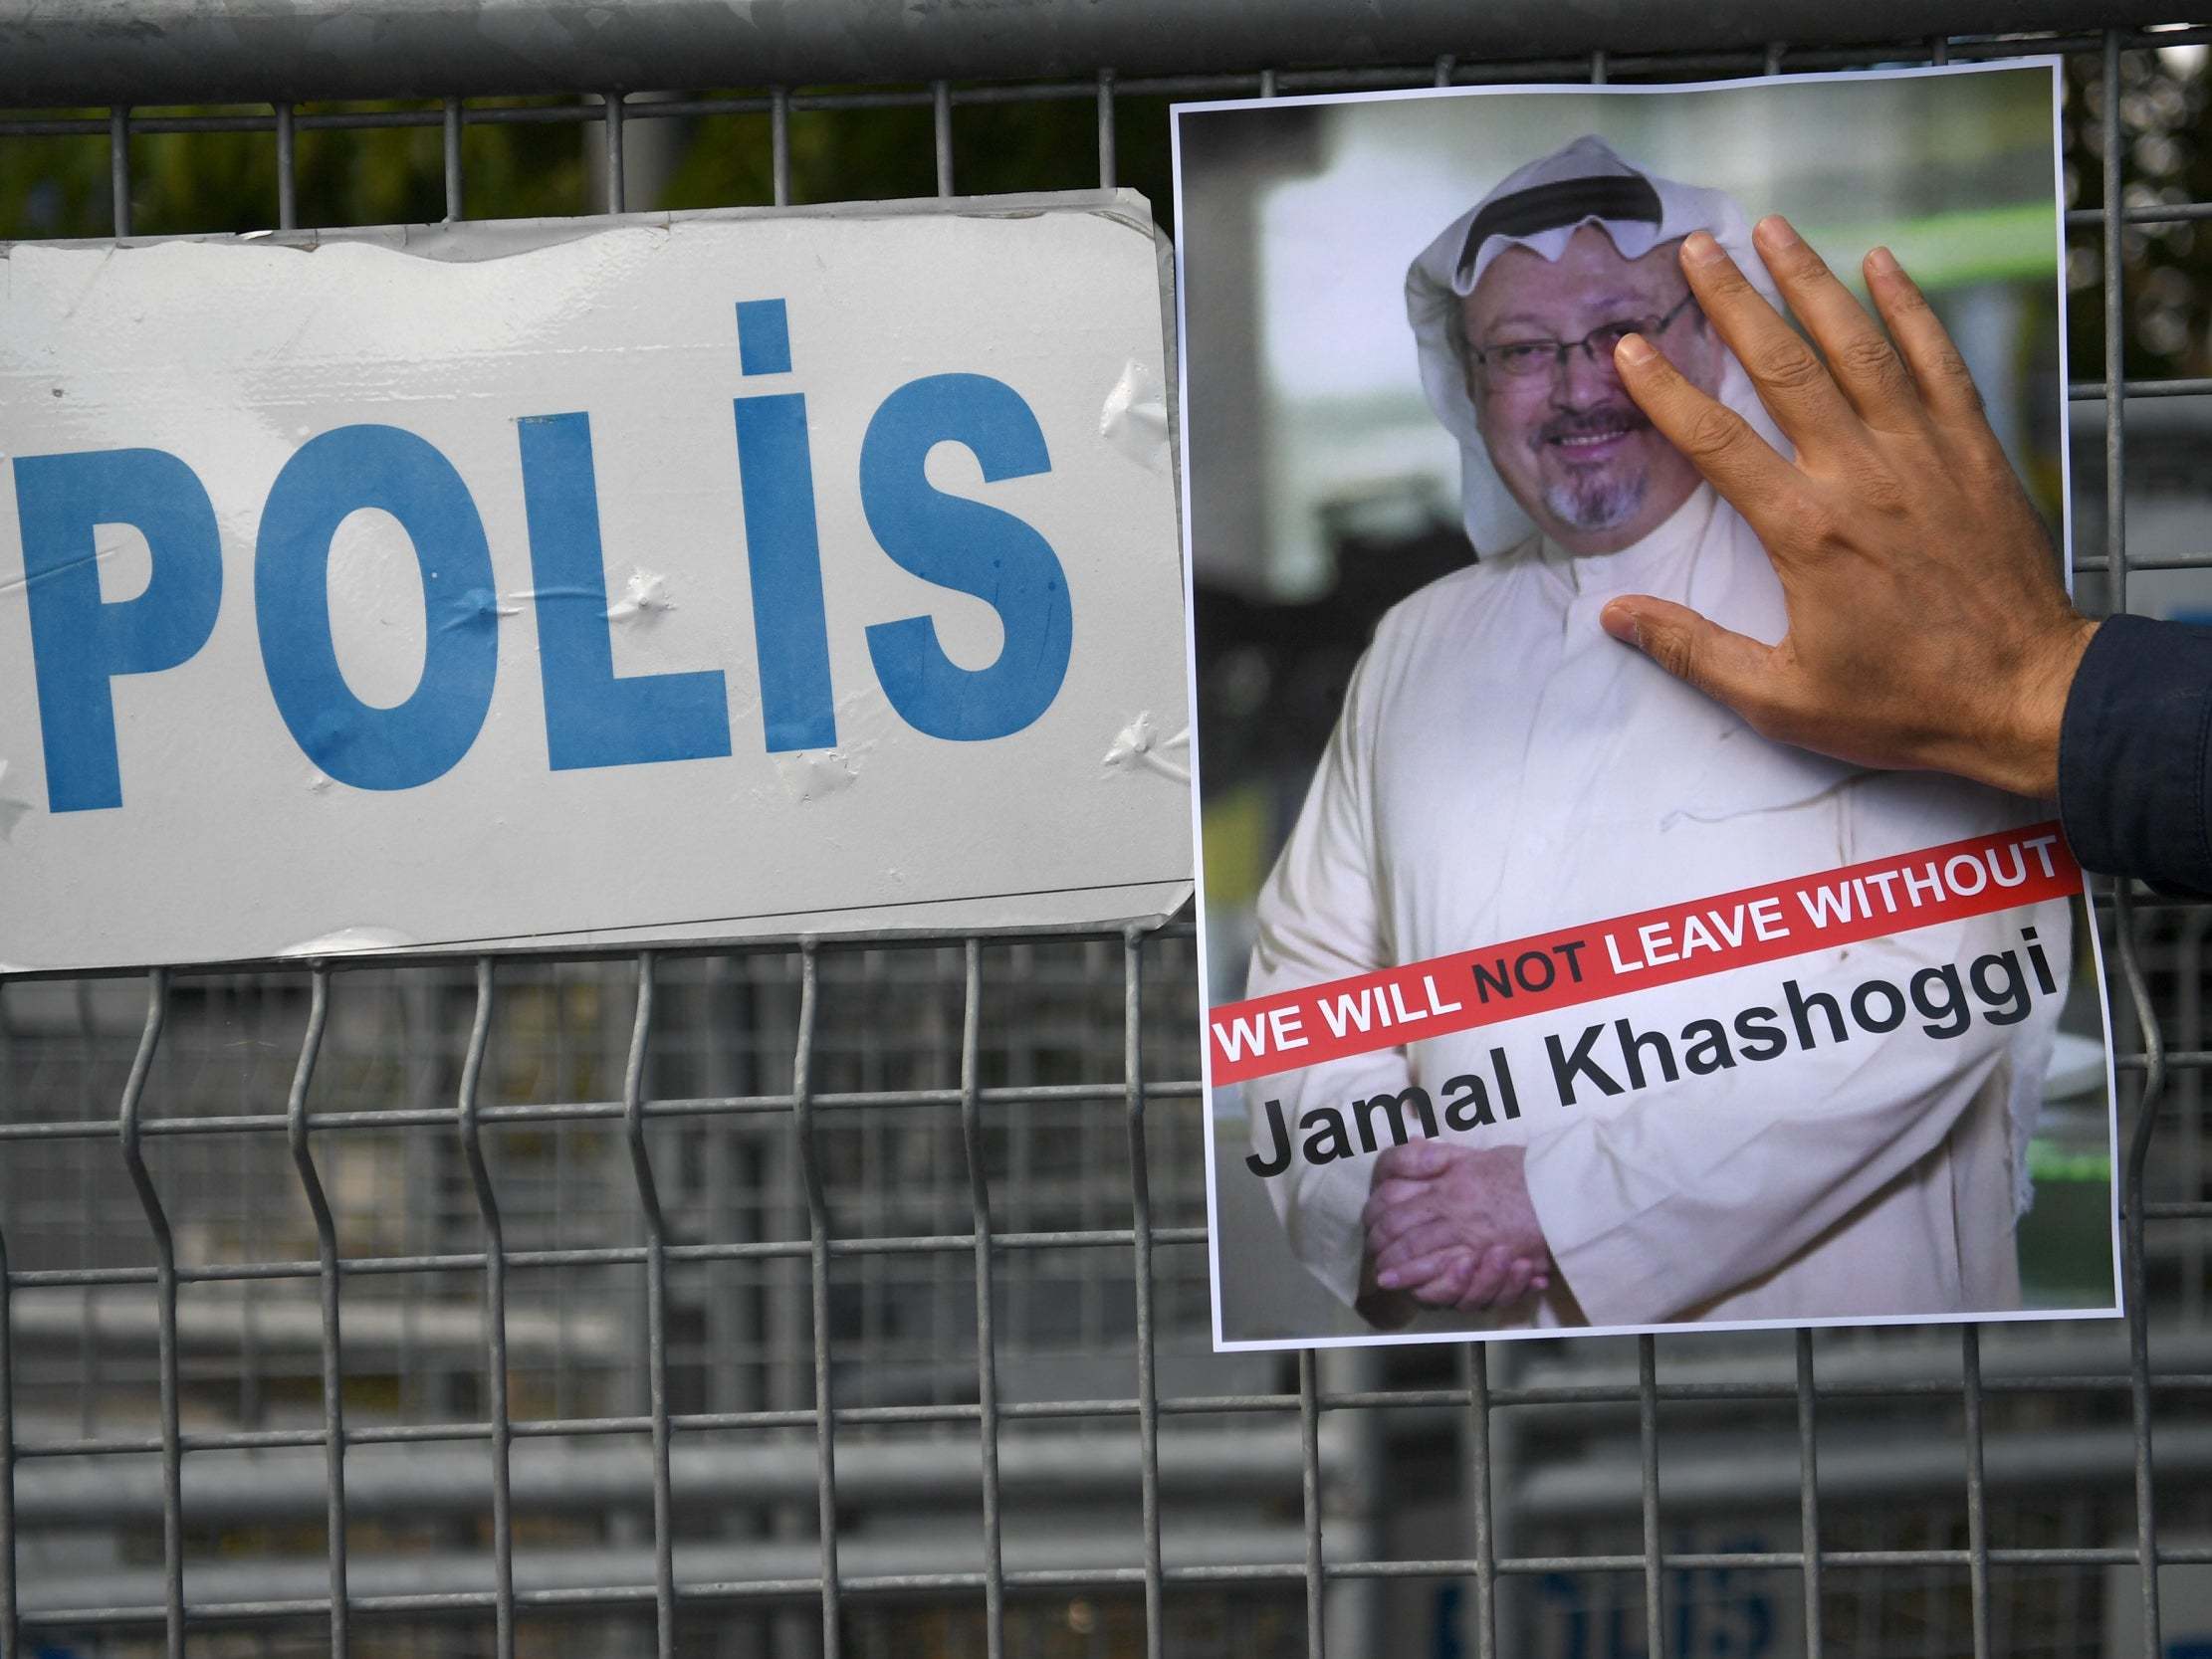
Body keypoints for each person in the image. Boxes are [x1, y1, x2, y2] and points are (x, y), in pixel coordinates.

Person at [1242, 136, 2075, 1333]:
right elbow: (1308, 988)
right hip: (1517, 1401)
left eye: (1623, 333)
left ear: (1711, 341)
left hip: (1851, 1397)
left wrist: (1553, 1208)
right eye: (1524, 352)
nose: (1580, 389)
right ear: (1470, 383)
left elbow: (1942, 988)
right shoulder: (1415, 647)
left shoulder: (1872, 598)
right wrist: (1382, 1189)